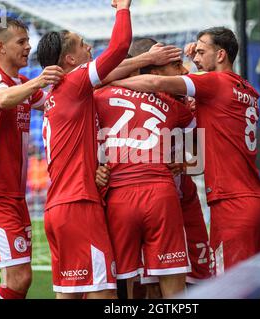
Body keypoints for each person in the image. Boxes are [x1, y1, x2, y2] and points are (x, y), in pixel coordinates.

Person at [111, 27, 260, 274]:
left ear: (220, 55)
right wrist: (199, 60)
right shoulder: (246, 89)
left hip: (231, 205)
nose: (194, 59)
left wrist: (109, 81)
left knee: (228, 288)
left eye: (200, 52)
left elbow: (156, 82)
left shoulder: (214, 82)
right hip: (259, 201)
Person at [36, 0, 136, 299]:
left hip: (58, 208)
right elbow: (119, 48)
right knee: (104, 295)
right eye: (81, 44)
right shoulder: (75, 82)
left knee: (69, 295)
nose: (88, 47)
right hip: (79, 205)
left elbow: (113, 69)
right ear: (68, 59)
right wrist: (123, 8)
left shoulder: (57, 93)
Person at [0, 17, 64, 300]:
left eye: (28, 41)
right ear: (0, 47)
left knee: (20, 279)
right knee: (19, 277)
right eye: (21, 42)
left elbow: (52, 102)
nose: (28, 47)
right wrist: (39, 80)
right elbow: (3, 99)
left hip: (13, 194)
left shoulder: (20, 82)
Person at [94, 38, 197, 299]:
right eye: (175, 65)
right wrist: (187, 159)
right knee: (173, 290)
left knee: (123, 287)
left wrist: (95, 168)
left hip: (120, 197)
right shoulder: (175, 106)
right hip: (162, 196)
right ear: (155, 70)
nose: (183, 71)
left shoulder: (97, 95)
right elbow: (201, 152)